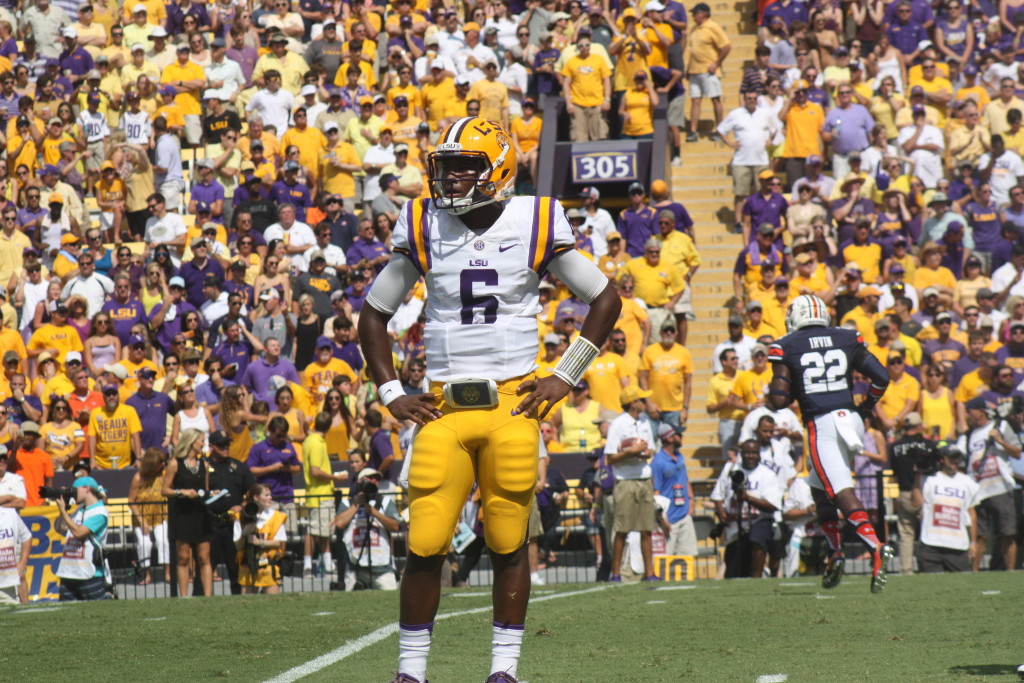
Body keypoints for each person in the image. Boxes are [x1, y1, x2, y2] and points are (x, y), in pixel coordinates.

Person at [359, 116, 620, 683]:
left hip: (513, 402)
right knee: (426, 539)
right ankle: (410, 672)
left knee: (506, 539)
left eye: (463, 166)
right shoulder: (424, 223)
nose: (450, 177)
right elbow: (373, 314)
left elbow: (604, 299)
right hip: (443, 405)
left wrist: (564, 376)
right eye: (445, 165)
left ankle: (504, 670)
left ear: (497, 168)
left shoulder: (536, 219)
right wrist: (391, 392)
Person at [766, 294, 894, 592]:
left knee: (839, 490)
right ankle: (835, 552)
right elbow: (881, 378)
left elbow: (779, 400)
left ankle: (875, 546)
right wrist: (865, 408)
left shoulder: (786, 344)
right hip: (851, 420)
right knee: (818, 488)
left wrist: (795, 386)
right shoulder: (847, 337)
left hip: (823, 424)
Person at [959, 396, 1021, 572]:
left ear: (980, 411)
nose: (967, 416)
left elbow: (1017, 452)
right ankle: (975, 573)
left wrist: (1000, 440)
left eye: (969, 411)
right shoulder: (968, 435)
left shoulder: (1000, 427)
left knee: (1007, 533)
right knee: (980, 535)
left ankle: (1010, 571)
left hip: (1000, 487)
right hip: (978, 491)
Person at [711, 439, 783, 578]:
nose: (750, 456)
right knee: (733, 571)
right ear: (741, 454)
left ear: (759, 455)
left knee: (757, 538)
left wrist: (748, 498)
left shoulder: (767, 474)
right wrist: (721, 512)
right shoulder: (730, 469)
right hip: (734, 522)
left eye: (754, 453)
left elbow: (773, 506)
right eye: (747, 452)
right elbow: (717, 494)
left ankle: (757, 577)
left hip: (759, 519)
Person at [912, 442, 979, 573]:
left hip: (958, 545)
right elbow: (916, 502)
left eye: (957, 457)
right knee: (932, 587)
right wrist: (918, 474)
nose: (955, 461)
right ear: (942, 459)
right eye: (952, 457)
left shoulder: (967, 482)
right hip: (931, 544)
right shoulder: (930, 479)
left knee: (963, 587)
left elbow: (972, 514)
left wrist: (973, 542)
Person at [162, 428, 213, 597]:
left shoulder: (204, 465)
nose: (203, 444)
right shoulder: (175, 463)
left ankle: (208, 596)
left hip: (200, 513)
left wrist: (212, 494)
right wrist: (180, 492)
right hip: (182, 515)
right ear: (191, 442)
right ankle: (183, 597)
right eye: (201, 440)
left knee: (204, 557)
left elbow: (205, 490)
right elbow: (164, 490)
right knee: (183, 558)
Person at [333, 466, 402, 590]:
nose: (374, 481)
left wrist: (374, 513)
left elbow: (396, 526)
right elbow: (339, 524)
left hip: (383, 567)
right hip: (355, 567)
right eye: (370, 479)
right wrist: (357, 504)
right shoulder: (348, 503)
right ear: (360, 482)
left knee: (393, 604)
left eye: (376, 479)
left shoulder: (385, 502)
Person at [302, 411, 349, 576]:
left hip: (320, 494)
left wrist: (305, 423)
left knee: (324, 532)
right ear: (329, 427)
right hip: (319, 494)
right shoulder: (316, 443)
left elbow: (306, 429)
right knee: (314, 531)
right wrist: (336, 477)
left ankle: (328, 565)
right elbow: (315, 471)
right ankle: (308, 566)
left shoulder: (311, 439)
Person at [54, 476, 110, 601]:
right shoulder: (80, 510)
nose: (73, 493)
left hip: (89, 575)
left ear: (87, 488)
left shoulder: (99, 512)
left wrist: (63, 511)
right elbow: (61, 528)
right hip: (68, 573)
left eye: (75, 489)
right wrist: (63, 509)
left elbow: (79, 533)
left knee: (95, 616)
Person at [651, 422, 696, 557]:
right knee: (665, 560)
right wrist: (663, 519)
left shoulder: (680, 456)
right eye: (678, 434)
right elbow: (656, 493)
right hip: (669, 518)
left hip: (684, 514)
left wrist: (691, 502)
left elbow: (685, 479)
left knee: (687, 558)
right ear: (669, 438)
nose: (681, 436)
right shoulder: (657, 462)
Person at [234, 483, 287, 594]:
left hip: (267, 566)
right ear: (256, 497)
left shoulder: (276, 517)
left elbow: (279, 543)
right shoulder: (241, 517)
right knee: (248, 604)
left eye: (270, 495)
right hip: (247, 566)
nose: (270, 498)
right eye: (266, 495)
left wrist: (260, 542)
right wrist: (244, 534)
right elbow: (238, 546)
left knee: (273, 603)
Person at [127, 448, 170, 585]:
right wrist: (141, 521)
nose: (163, 464)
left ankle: (167, 573)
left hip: (160, 515)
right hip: (142, 516)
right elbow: (131, 501)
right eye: (160, 462)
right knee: (145, 543)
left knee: (163, 541)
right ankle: (147, 575)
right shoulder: (138, 477)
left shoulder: (163, 476)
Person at [88, 383, 142, 469]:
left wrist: (138, 458)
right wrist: (92, 460)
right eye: (108, 394)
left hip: (124, 464)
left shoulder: (129, 411)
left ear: (118, 395)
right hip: (101, 465)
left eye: (114, 393)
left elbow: (135, 436)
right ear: (103, 397)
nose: (111, 396)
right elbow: (92, 438)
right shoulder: (95, 413)